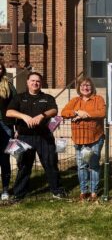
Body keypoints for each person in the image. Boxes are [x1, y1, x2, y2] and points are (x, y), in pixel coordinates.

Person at [6, 72, 65, 200]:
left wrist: (42, 115)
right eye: (32, 81)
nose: (35, 83)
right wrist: (23, 116)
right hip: (24, 137)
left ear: (41, 83)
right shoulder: (19, 98)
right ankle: (19, 194)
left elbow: (54, 110)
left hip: (44, 136)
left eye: (38, 81)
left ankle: (57, 191)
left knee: (50, 163)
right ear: (27, 82)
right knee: (24, 166)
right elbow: (9, 112)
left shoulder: (47, 98)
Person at [61, 77, 105, 201]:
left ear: (92, 87)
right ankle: (83, 191)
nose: (85, 88)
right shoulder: (75, 100)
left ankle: (94, 192)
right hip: (79, 138)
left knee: (94, 165)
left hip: (95, 138)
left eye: (88, 86)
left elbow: (102, 112)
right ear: (79, 88)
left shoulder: (98, 99)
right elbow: (64, 112)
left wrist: (84, 114)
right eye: (82, 86)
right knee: (81, 166)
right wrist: (76, 112)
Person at [0, 63, 17, 200]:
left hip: (5, 125)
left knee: (4, 159)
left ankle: (5, 189)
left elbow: (16, 105)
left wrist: (16, 127)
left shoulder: (9, 86)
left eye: (0, 67)